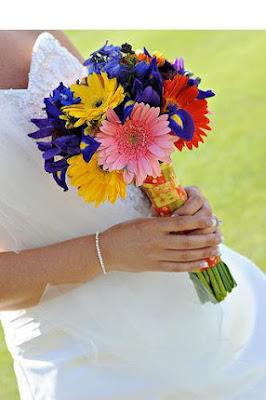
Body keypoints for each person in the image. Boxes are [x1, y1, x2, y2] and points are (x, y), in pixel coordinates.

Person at [0, 30, 265, 400]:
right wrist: (108, 251)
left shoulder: (22, 19)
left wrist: (174, 201)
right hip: (87, 352)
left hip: (183, 296)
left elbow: (111, 132)